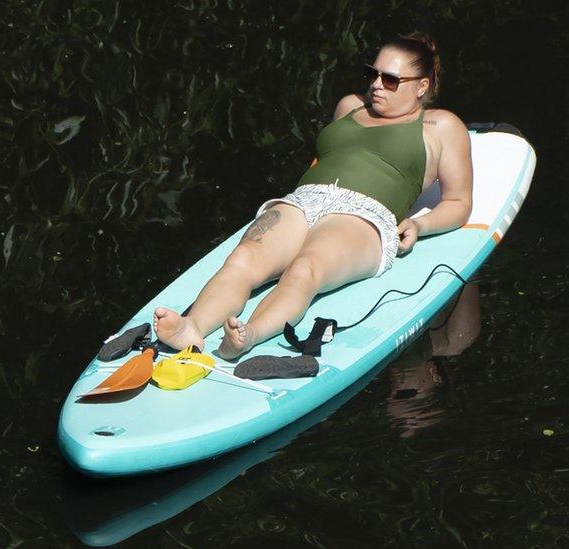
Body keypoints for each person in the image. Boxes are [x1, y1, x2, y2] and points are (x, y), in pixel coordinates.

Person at [154, 32, 473, 359]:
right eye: (372, 74)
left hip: (363, 215)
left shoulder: (439, 126)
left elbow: (459, 203)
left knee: (306, 269)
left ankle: (250, 334)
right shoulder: (349, 106)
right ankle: (192, 326)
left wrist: (421, 225)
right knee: (243, 259)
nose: (377, 84)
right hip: (304, 200)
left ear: (421, 86)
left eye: (391, 79)